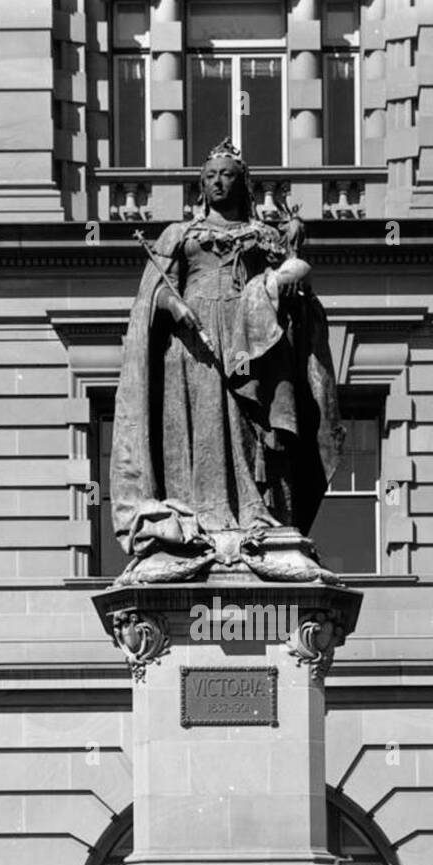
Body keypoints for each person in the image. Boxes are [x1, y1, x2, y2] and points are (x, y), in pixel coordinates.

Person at [110, 137, 345, 583]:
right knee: (199, 429)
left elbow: (294, 292)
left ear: (244, 184)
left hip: (250, 343)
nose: (220, 182)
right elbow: (151, 296)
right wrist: (173, 305)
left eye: (229, 175)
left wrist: (288, 276)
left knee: (248, 427)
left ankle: (256, 514)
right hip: (193, 347)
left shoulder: (266, 235)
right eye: (212, 176)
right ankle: (198, 514)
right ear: (202, 185)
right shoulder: (178, 235)